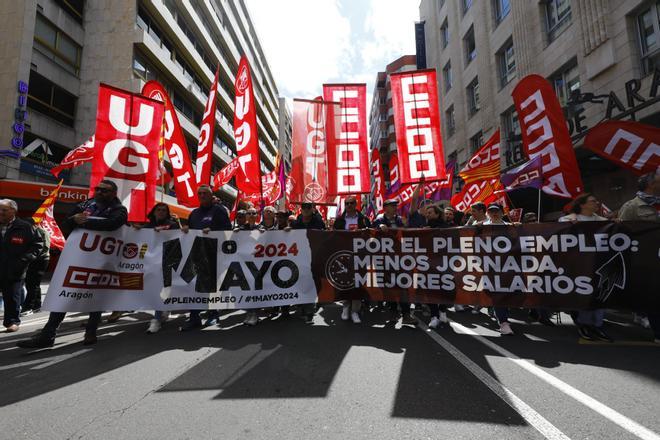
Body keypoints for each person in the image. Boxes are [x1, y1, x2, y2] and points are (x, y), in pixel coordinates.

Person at [18, 180, 127, 347]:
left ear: (113, 193)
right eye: (97, 189)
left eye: (104, 191)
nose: (99, 192)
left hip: (101, 261)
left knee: (96, 296)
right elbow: (65, 225)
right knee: (65, 292)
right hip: (77, 258)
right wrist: (74, 219)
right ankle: (48, 336)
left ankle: (91, 332)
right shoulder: (84, 205)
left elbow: (113, 224)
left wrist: (84, 222)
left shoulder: (119, 209)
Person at [559, 193, 612, 342]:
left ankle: (597, 325)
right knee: (584, 294)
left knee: (600, 294)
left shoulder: (602, 221)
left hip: (599, 264)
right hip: (578, 265)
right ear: (582, 205)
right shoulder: (567, 220)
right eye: (593, 200)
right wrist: (571, 228)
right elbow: (558, 236)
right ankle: (584, 324)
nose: (597, 202)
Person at [179, 184, 232, 331]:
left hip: (213, 255)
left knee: (211, 288)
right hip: (195, 255)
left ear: (210, 195)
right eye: (200, 193)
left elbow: (228, 230)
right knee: (193, 287)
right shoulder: (194, 213)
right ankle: (194, 317)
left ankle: (213, 315)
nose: (202, 195)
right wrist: (185, 229)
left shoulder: (219, 211)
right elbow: (189, 228)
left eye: (205, 193)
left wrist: (214, 231)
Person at [618, 172, 660, 343]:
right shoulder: (632, 206)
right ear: (651, 185)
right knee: (655, 295)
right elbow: (621, 234)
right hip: (647, 260)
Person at [133, 203, 180, 334]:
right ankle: (162, 311)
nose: (161, 212)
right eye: (158, 210)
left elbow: (177, 241)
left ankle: (157, 319)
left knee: (161, 289)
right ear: (154, 212)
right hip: (149, 264)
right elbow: (142, 245)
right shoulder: (147, 227)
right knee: (153, 290)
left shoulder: (173, 225)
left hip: (166, 262)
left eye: (164, 210)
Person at [0, 199, 43, 333]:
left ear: (13, 211)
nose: (0, 213)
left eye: (4, 210)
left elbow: (38, 245)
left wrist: (24, 260)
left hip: (14, 269)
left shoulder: (25, 227)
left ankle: (12, 322)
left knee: (12, 297)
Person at [373, 199, 412, 324]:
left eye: (396, 205)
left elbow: (406, 234)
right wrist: (379, 228)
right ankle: (393, 309)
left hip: (399, 258)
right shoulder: (379, 220)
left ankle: (406, 315)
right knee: (386, 285)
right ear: (385, 208)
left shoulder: (400, 220)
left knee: (402, 285)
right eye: (392, 205)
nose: (396, 207)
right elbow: (371, 234)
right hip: (384, 259)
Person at [333, 195, 371, 324]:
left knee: (358, 283)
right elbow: (334, 235)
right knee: (345, 282)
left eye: (351, 203)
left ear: (356, 204)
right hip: (344, 256)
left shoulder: (364, 219)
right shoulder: (339, 220)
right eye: (347, 203)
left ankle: (355, 310)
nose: (349, 205)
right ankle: (345, 307)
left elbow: (371, 235)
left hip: (360, 256)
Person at [289, 202, 325, 323]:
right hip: (299, 258)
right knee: (301, 282)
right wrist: (286, 231)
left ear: (312, 209)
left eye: (308, 207)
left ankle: (309, 311)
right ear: (300, 209)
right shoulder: (295, 223)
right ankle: (303, 307)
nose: (305, 209)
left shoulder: (318, 222)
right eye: (303, 207)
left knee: (311, 283)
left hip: (313, 258)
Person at [237, 207, 262, 326]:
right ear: (246, 216)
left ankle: (255, 314)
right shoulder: (240, 229)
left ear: (257, 215)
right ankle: (249, 313)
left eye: (254, 213)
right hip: (243, 262)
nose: (251, 215)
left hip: (256, 264)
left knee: (254, 288)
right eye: (249, 213)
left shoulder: (260, 228)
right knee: (246, 289)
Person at [21, 218, 50, 315]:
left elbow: (45, 248)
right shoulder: (29, 232)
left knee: (32, 283)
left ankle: (28, 307)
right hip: (32, 260)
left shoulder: (42, 232)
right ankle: (37, 306)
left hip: (41, 260)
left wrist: (31, 256)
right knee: (33, 283)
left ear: (33, 225)